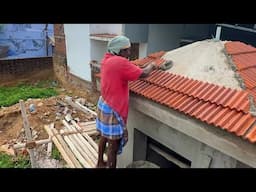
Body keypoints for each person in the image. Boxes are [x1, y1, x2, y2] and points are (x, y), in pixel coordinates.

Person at [96, 35, 156, 168]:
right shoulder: (120, 63)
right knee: (113, 144)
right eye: (127, 50)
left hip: (104, 103)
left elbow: (129, 69)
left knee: (103, 136)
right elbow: (144, 74)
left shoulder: (107, 59)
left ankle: (100, 162)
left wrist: (140, 66)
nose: (129, 53)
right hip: (113, 109)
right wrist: (152, 65)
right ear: (119, 51)